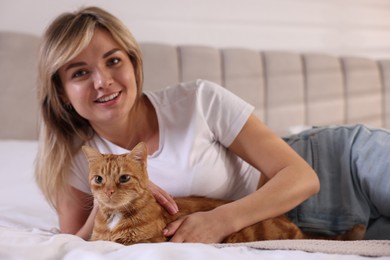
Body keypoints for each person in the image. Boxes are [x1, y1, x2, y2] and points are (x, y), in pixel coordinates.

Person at [35, 6, 389, 242]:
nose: (103, 81)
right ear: (63, 92)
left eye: (113, 61)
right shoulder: (78, 159)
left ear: (133, 64)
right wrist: (112, 196)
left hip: (337, 165)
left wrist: (221, 220)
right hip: (298, 230)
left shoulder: (197, 100)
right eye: (80, 72)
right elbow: (78, 244)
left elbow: (302, 176)